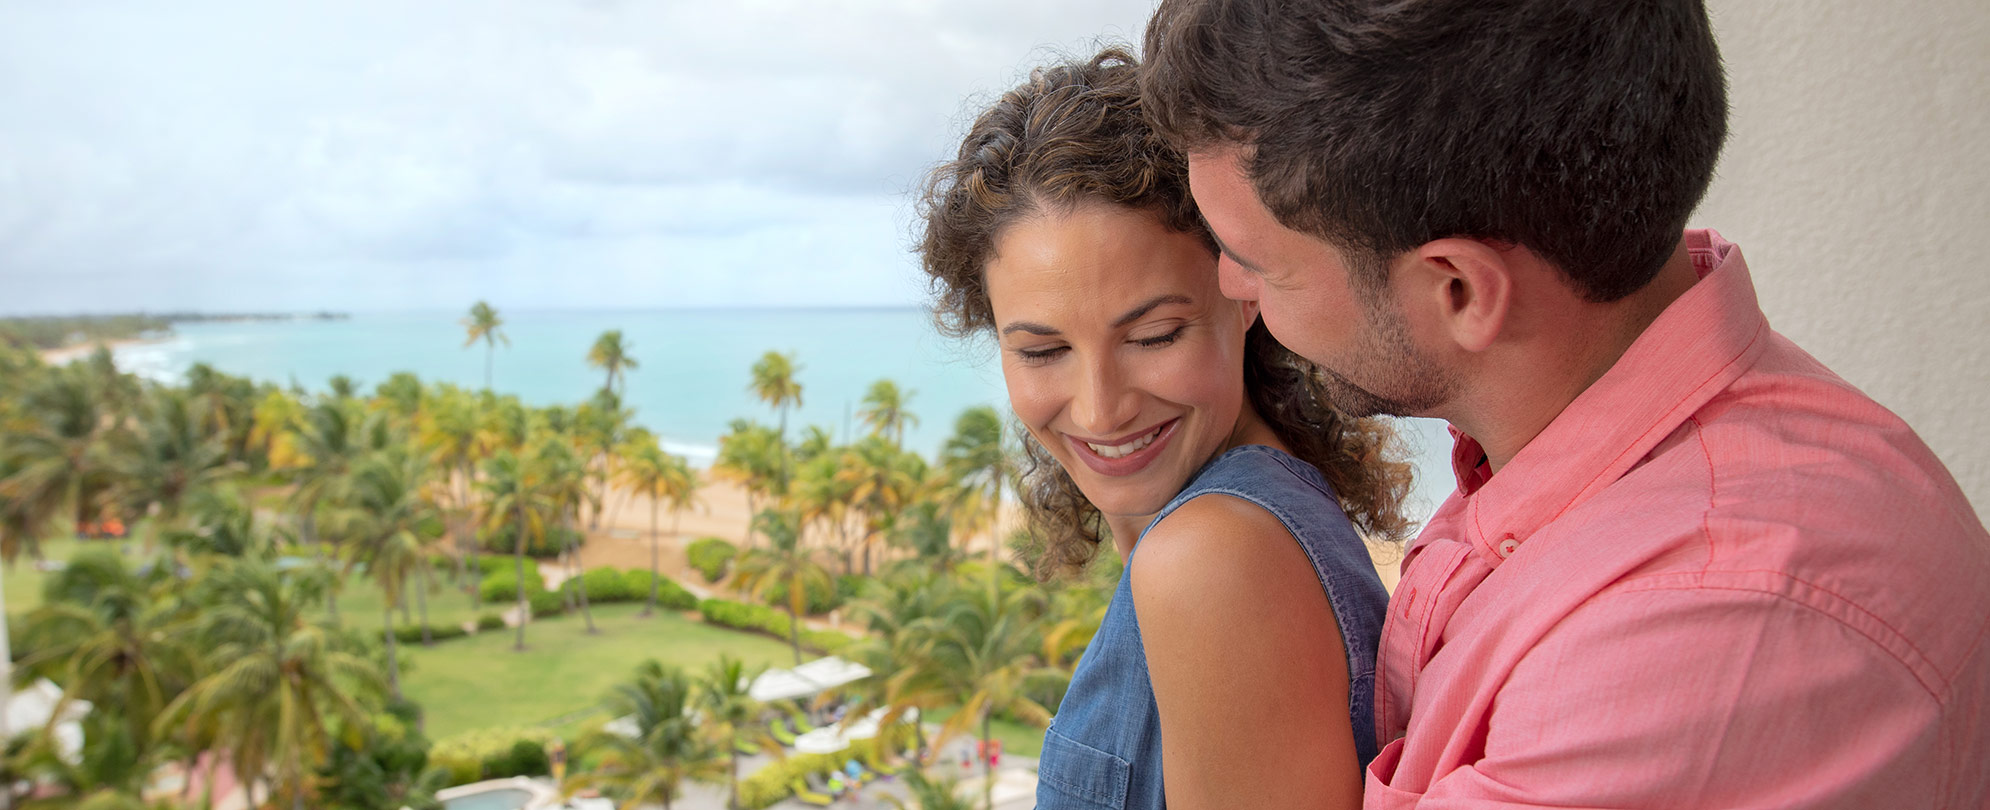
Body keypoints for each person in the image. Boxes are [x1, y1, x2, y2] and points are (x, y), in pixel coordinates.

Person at [1140, 1, 1990, 806]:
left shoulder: (1697, 639)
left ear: (1461, 290)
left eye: (1258, 261)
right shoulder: (1576, 457)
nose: (1229, 285)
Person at [918, 49, 1415, 809]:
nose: (1099, 408)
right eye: (1043, 350)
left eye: (1154, 337)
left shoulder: (1211, 556)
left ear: (1246, 292)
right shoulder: (1228, 520)